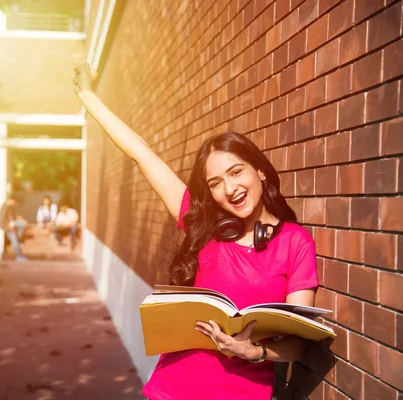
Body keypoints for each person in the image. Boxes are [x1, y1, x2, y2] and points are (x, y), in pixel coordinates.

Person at [74, 64, 318, 400]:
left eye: (236, 172)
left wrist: (254, 353)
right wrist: (89, 98)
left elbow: (299, 344)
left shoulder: (295, 242)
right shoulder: (204, 225)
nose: (230, 189)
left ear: (260, 171)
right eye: (216, 183)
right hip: (172, 389)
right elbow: (142, 154)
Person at [0, 196, 28, 261]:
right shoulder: (4, 207)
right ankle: (19, 256)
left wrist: (22, 220)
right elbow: (2, 220)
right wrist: (8, 227)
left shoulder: (11, 207)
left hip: (12, 224)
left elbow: (15, 216)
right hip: (8, 227)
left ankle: (18, 239)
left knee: (22, 224)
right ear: (12, 200)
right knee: (14, 240)